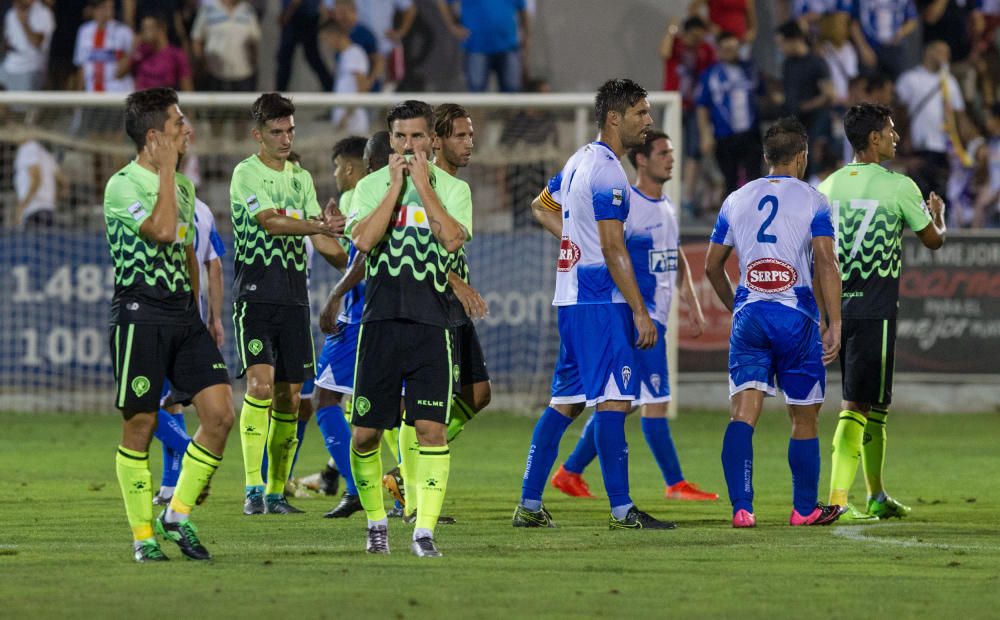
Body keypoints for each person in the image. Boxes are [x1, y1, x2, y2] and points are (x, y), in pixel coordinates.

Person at [512, 78, 672, 531]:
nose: (649, 121)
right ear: (615, 118)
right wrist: (640, 311)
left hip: (572, 298)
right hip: (600, 301)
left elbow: (541, 206)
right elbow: (614, 248)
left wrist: (573, 242)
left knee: (566, 402)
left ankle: (528, 503)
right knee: (615, 400)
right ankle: (622, 511)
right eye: (641, 113)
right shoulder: (608, 172)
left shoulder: (580, 159)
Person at [533, 129, 717, 503]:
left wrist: (692, 302)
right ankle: (673, 483)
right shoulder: (623, 200)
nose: (671, 158)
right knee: (643, 401)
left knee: (622, 401)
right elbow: (610, 248)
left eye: (671, 151)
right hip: (633, 316)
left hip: (653, 317)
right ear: (642, 160)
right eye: (663, 152)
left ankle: (567, 473)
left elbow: (674, 254)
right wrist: (638, 312)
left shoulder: (665, 205)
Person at [104, 87, 233, 562]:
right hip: (141, 313)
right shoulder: (122, 185)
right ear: (155, 136)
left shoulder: (182, 186)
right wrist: (163, 171)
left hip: (183, 314)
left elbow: (184, 250)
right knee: (140, 424)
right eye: (180, 123)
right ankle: (143, 538)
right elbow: (160, 230)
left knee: (220, 414)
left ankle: (176, 516)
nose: (188, 129)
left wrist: (201, 314)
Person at [704, 116, 845, 528]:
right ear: (801, 156)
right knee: (804, 416)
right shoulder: (814, 200)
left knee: (743, 413)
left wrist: (737, 306)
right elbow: (826, 263)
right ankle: (803, 509)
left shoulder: (736, 199)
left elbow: (713, 266)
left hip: (750, 316)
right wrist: (833, 322)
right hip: (796, 317)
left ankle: (742, 508)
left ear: (767, 157)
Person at [346, 99, 472, 557]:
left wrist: (426, 186)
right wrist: (396, 188)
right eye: (400, 137)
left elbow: (453, 238)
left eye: (418, 137)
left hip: (431, 326)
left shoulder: (454, 190)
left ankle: (424, 532)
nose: (408, 145)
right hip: (379, 324)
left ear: (432, 141)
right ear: (391, 139)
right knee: (365, 435)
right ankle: (376, 522)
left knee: (431, 431)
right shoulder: (371, 186)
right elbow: (362, 240)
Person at [818, 102, 947, 521]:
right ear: (873, 138)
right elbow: (932, 240)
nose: (896, 137)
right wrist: (938, 218)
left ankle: (875, 494)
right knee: (856, 406)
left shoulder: (827, 186)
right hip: (875, 310)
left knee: (876, 406)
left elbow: (816, 253)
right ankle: (837, 500)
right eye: (891, 130)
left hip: (836, 310)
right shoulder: (899, 186)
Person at [230, 93, 347, 516]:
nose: (284, 138)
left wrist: (355, 264)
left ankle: (276, 493)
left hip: (295, 299)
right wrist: (318, 224)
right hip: (256, 297)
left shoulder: (300, 179)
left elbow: (319, 237)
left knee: (292, 397)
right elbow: (271, 223)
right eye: (276, 131)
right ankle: (252, 489)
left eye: (290, 130)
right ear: (257, 134)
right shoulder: (246, 174)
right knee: (259, 387)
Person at [382, 103, 491, 522]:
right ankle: (410, 491)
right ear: (437, 140)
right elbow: (412, 249)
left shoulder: (455, 187)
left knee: (478, 394)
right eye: (460, 135)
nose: (469, 142)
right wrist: (452, 278)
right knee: (420, 404)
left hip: (452, 303)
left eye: (470, 134)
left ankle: (405, 471)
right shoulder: (419, 185)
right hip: (428, 302)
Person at [310, 135, 370, 520]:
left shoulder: (355, 198)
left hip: (358, 315)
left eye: (336, 167)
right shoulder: (389, 191)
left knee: (325, 398)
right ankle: (402, 495)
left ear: (350, 168)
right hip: (388, 315)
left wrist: (316, 231)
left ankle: (357, 486)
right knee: (383, 410)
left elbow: (352, 259)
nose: (335, 175)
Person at [152, 198, 227, 506]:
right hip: (190, 319)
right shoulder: (203, 209)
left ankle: (189, 451)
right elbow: (215, 265)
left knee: (139, 404)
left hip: (153, 316)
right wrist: (214, 317)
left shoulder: (148, 202)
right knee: (172, 403)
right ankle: (171, 486)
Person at [896, 40, 969, 200]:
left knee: (940, 195)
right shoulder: (910, 78)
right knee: (919, 194)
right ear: (929, 52)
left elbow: (959, 115)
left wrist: (962, 146)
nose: (946, 57)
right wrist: (903, 138)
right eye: (942, 52)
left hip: (944, 146)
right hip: (920, 146)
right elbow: (899, 113)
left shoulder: (949, 82)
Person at [659, 15, 716, 216]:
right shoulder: (675, 44)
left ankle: (687, 197)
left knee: (694, 151)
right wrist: (672, 31)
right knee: (666, 147)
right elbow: (664, 52)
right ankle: (665, 191)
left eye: (700, 36)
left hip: (694, 107)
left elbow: (713, 70)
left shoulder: (705, 50)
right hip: (673, 105)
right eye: (693, 36)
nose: (696, 41)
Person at [696, 31, 762, 196]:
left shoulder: (749, 70)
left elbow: (762, 93)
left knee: (755, 177)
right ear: (718, 50)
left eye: (734, 48)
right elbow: (702, 106)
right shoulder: (711, 75)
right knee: (729, 179)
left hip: (750, 132)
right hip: (724, 134)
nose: (731, 53)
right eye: (726, 49)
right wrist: (705, 134)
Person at [437, 0, 529, 93]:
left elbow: (523, 10)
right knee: (477, 94)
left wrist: (526, 36)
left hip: (509, 46)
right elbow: (443, 2)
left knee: (512, 94)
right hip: (477, 47)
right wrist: (453, 27)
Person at [776, 20, 834, 148]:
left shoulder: (816, 63)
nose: (780, 48)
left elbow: (829, 95)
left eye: (782, 43)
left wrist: (805, 106)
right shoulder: (788, 65)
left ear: (794, 40)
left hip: (815, 125)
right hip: (794, 128)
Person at [190, 0, 261, 92]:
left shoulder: (248, 10)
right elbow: (197, 39)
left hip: (243, 75)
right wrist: (201, 62)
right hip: (215, 76)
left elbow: (254, 40)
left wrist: (254, 62)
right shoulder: (208, 8)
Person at [319, 20, 370, 134]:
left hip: (353, 123)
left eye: (325, 39)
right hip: (346, 124)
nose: (326, 44)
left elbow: (362, 88)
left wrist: (346, 116)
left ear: (334, 35)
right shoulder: (343, 56)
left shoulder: (355, 53)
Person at [74, 0, 134, 93]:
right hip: (91, 92)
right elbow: (82, 65)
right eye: (103, 7)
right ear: (94, 10)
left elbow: (131, 61)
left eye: (111, 7)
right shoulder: (84, 31)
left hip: (117, 92)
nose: (108, 11)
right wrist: (79, 94)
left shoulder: (124, 32)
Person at [850, 0, 918, 80]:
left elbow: (912, 20)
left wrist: (901, 33)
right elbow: (853, 23)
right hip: (870, 48)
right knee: (868, 86)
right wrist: (863, 48)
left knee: (896, 85)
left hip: (894, 49)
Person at [276, 0, 333, 92]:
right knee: (285, 59)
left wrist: (287, 13)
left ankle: (331, 88)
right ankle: (279, 95)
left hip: (305, 17)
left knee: (312, 57)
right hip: (295, 17)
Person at [0, 0, 55, 92]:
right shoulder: (11, 13)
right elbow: (8, 41)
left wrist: (24, 23)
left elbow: (37, 43)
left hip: (30, 68)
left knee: (23, 105)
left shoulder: (44, 13)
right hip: (9, 64)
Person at [132, 14, 193, 91]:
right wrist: (134, 48)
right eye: (143, 29)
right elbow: (118, 74)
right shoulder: (141, 53)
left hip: (164, 100)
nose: (144, 33)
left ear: (161, 29)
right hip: (142, 100)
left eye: (148, 29)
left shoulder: (176, 55)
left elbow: (187, 87)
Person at [14, 134, 61, 228]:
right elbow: (63, 182)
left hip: (34, 211)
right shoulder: (46, 154)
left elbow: (36, 178)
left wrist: (22, 206)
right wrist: (51, 201)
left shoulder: (28, 147)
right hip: (48, 210)